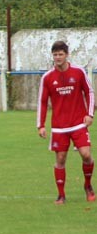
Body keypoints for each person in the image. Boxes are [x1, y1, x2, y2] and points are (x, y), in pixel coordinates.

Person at [37, 40, 95, 204]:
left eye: (61, 54)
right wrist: (41, 125)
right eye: (55, 55)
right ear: (52, 56)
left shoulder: (78, 72)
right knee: (61, 159)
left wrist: (90, 114)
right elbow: (42, 101)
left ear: (66, 55)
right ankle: (61, 195)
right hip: (59, 127)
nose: (58, 57)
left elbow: (89, 92)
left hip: (78, 123)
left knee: (86, 154)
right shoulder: (47, 77)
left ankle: (88, 186)